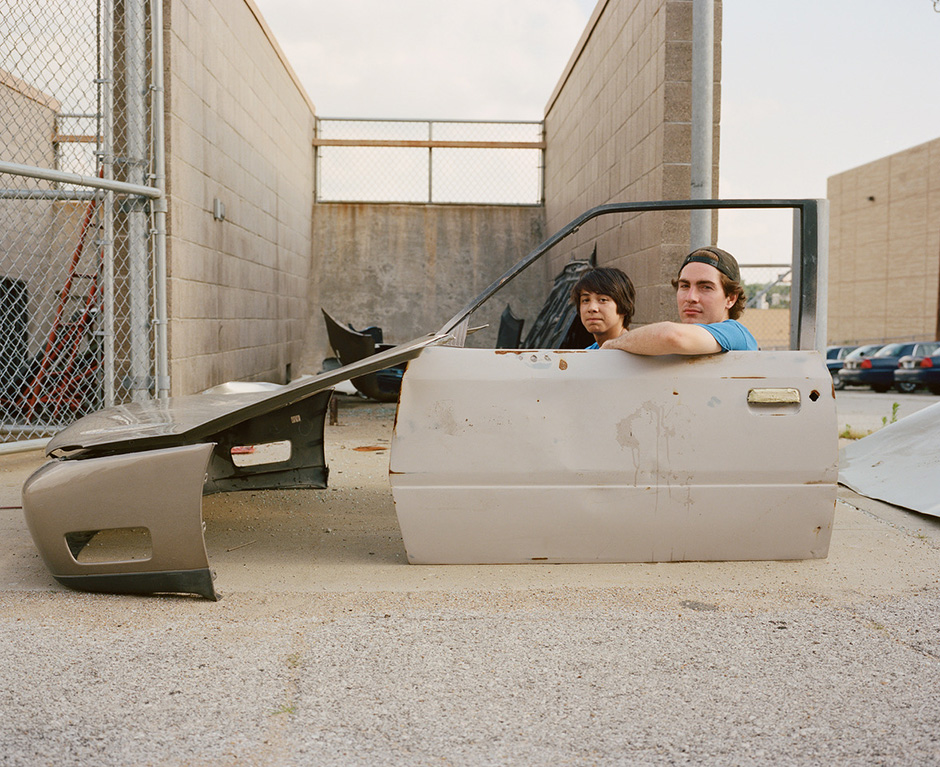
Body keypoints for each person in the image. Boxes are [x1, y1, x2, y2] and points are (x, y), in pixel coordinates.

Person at [601, 246, 758, 355]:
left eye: (706, 287)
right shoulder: (682, 343)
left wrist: (612, 344)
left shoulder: (735, 333)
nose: (690, 298)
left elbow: (671, 336)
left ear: (730, 299)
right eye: (684, 286)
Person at [570, 267, 636, 349]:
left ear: (624, 306)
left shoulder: (639, 354)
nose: (592, 308)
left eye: (603, 300)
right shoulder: (588, 354)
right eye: (586, 300)